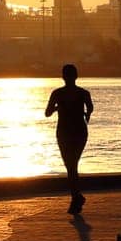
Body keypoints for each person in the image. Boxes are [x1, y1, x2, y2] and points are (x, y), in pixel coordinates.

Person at [45, 64, 94, 214]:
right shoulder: (83, 93)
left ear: (63, 77)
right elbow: (90, 107)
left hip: (65, 132)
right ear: (76, 76)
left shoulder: (57, 93)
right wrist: (87, 115)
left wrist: (58, 108)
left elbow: (47, 113)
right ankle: (76, 197)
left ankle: (76, 198)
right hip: (80, 131)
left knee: (70, 165)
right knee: (73, 164)